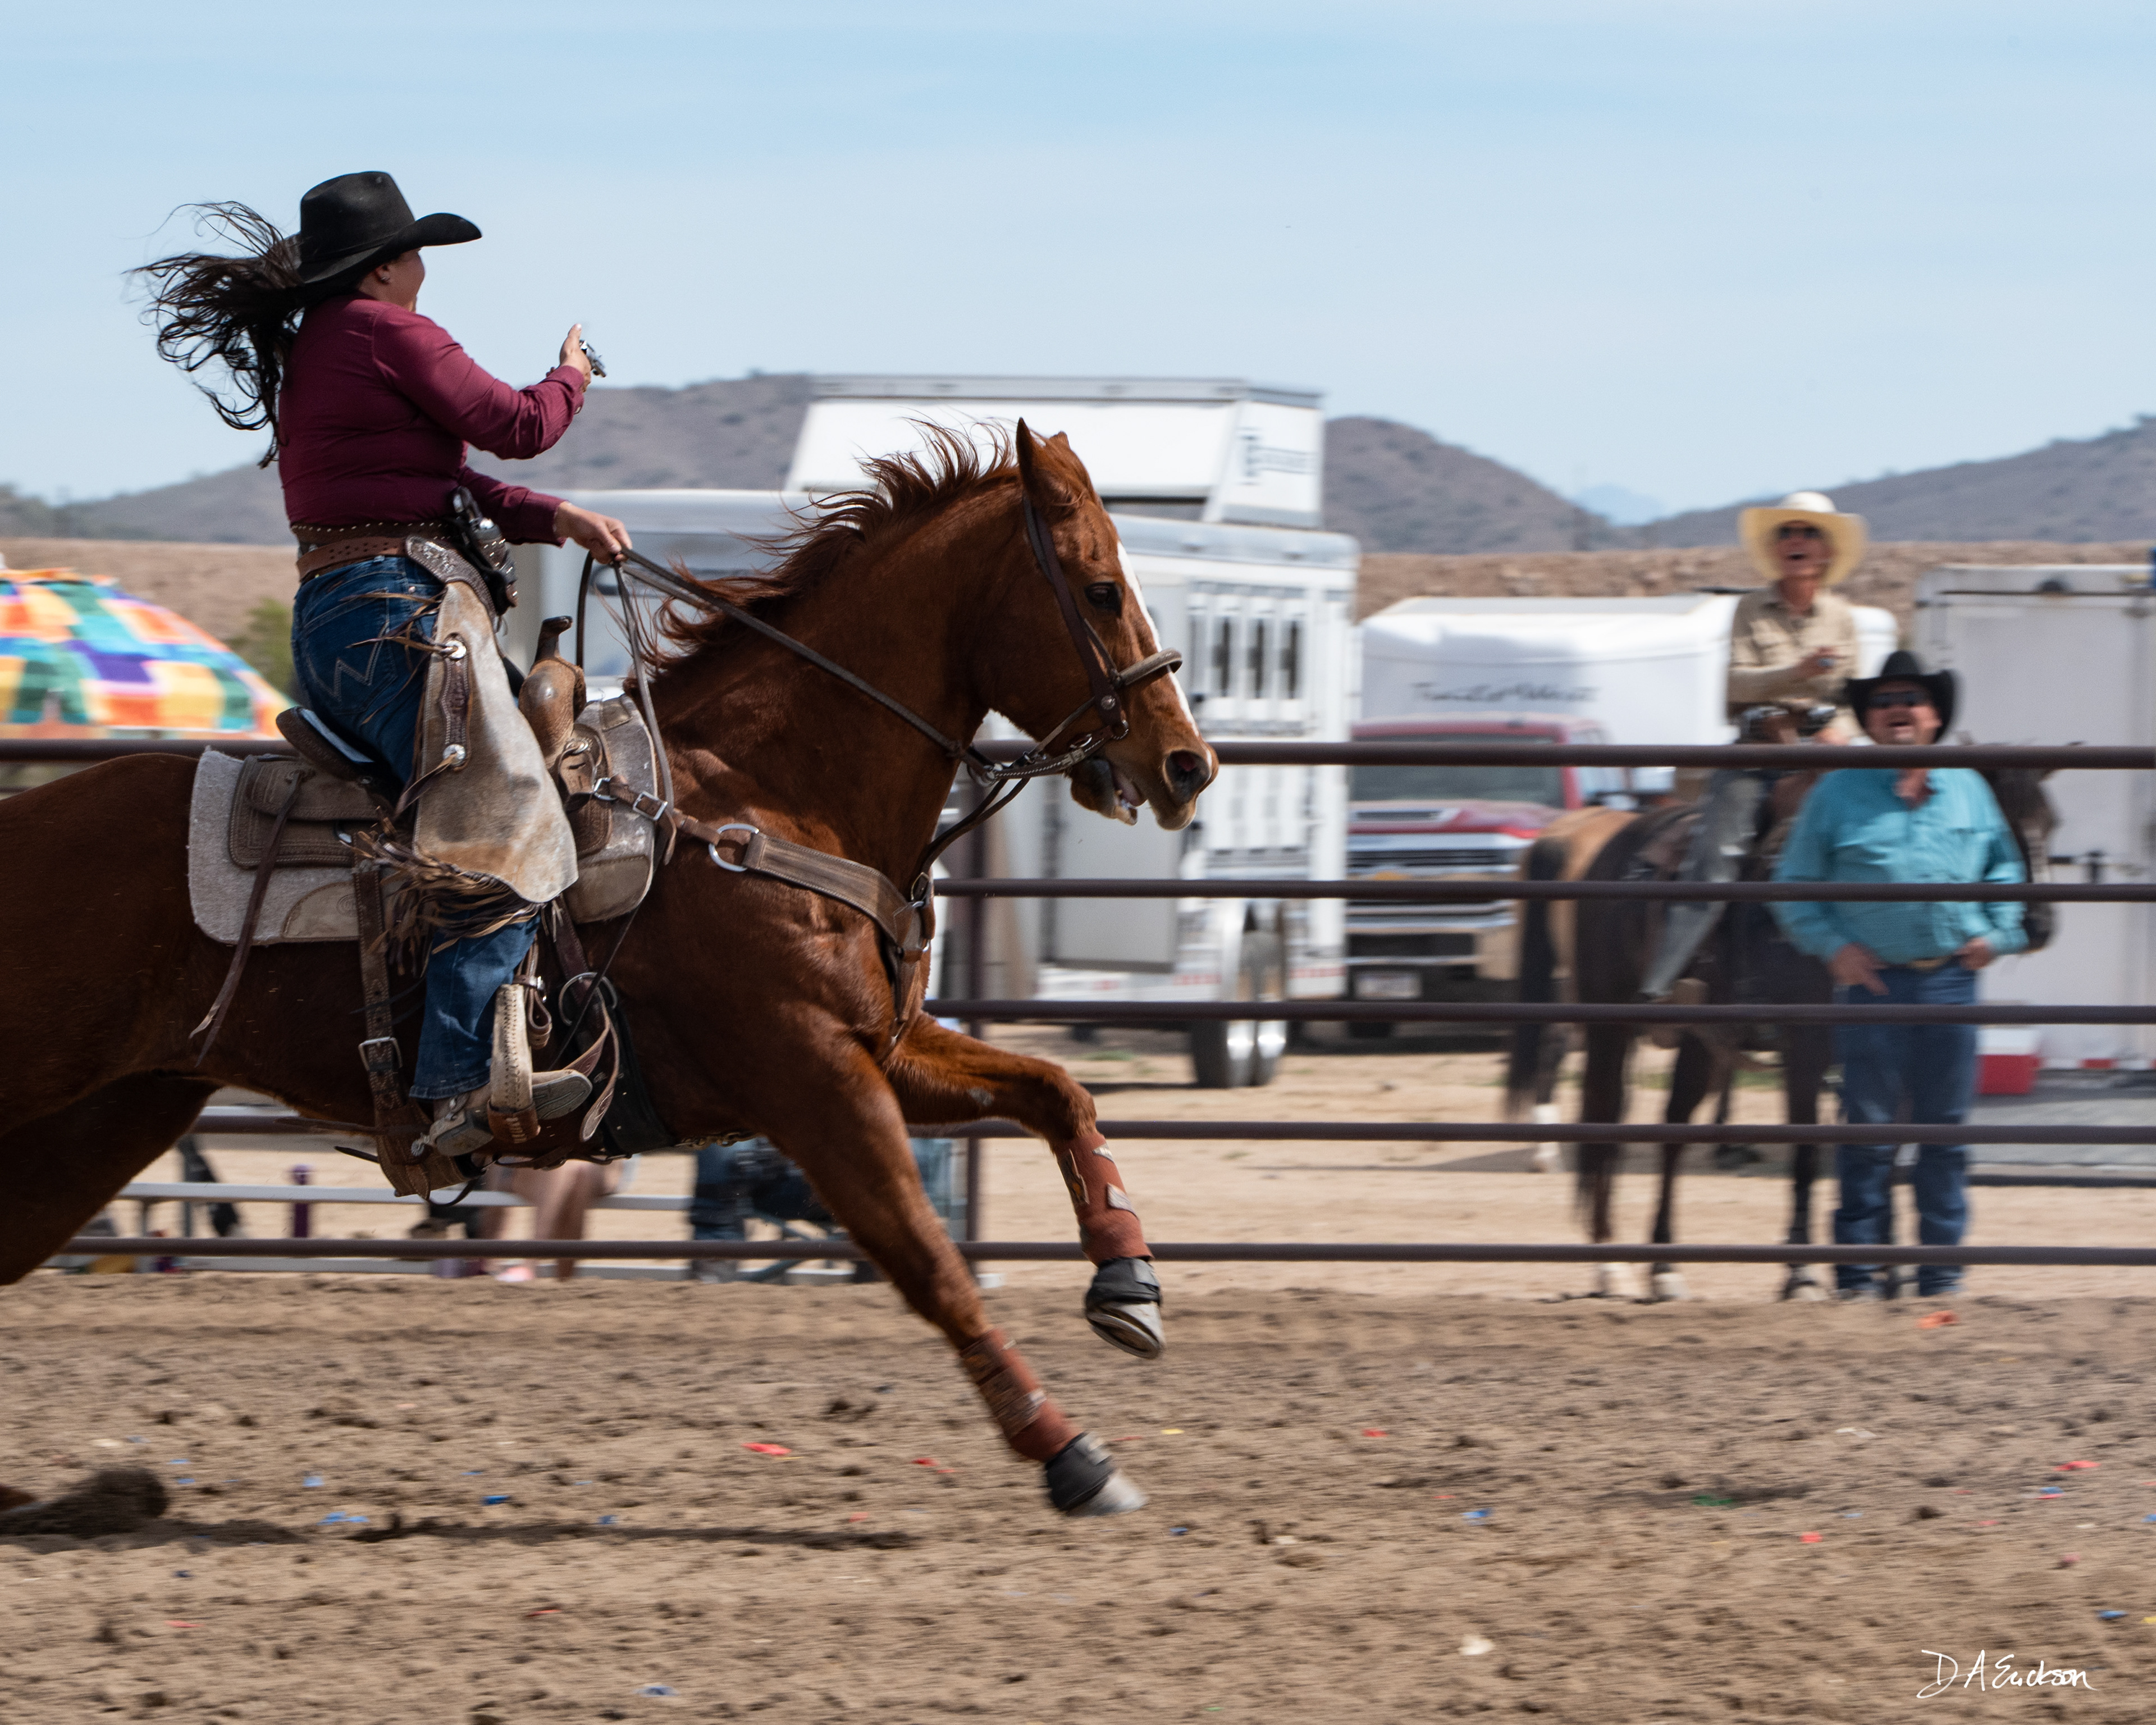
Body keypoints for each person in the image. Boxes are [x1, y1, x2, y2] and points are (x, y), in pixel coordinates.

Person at [138, 172, 631, 1158]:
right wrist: (571, 373)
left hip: (342, 621)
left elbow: (440, 482)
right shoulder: (389, 332)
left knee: (487, 801)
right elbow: (519, 425)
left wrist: (556, 518)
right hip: (396, 614)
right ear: (383, 268)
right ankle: (456, 1079)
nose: (424, 272)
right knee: (506, 816)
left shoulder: (323, 347)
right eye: (416, 255)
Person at [1770, 650, 2029, 1299]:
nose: (1897, 710)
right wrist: (1833, 947)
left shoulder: (1968, 787)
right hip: (1873, 984)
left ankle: (1940, 1275)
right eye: (1884, 702)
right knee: (1868, 1133)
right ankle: (1860, 1276)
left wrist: (1998, 934)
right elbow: (1793, 883)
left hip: (1951, 981)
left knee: (1944, 1134)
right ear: (1869, 720)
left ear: (1935, 715)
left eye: (1911, 699)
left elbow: (2006, 870)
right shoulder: (1836, 792)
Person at [1639, 491, 1869, 1007]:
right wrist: (1796, 672)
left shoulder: (1843, 618)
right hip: (1758, 751)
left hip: (1821, 754)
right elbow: (1737, 684)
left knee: (1866, 842)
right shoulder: (1749, 609)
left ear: (1827, 551)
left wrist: (1842, 729)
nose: (1796, 541)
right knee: (1716, 855)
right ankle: (1665, 982)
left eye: (1809, 533)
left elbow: (1853, 697)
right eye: (1787, 532)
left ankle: (1868, 965)